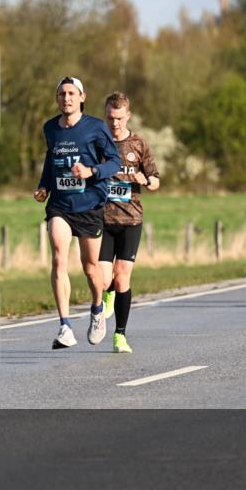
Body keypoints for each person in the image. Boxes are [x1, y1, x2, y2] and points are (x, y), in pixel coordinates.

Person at [34, 76, 121, 348]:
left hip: (90, 204)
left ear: (82, 97)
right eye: (61, 94)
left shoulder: (95, 127)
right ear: (57, 98)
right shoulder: (50, 128)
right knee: (59, 258)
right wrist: (43, 185)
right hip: (60, 205)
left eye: (71, 93)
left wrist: (91, 171)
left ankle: (97, 309)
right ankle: (65, 326)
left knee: (90, 268)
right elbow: (51, 159)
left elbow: (114, 162)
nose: (66, 98)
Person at [97, 92, 160, 353]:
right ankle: (107, 291)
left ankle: (120, 336)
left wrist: (145, 180)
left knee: (123, 277)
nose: (115, 124)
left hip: (131, 219)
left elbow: (156, 180)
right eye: (111, 118)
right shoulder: (97, 143)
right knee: (101, 280)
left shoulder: (139, 144)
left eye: (120, 118)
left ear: (128, 116)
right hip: (101, 219)